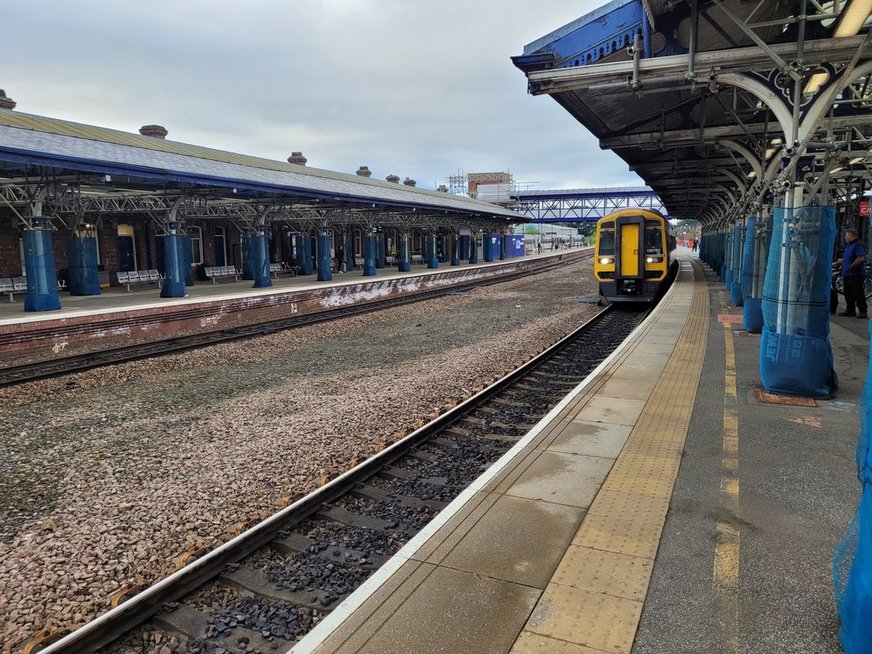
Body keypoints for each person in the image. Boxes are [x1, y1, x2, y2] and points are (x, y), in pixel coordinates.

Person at [835, 227, 868, 318]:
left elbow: (860, 258)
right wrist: (837, 262)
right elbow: (847, 258)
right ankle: (850, 310)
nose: (845, 237)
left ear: (851, 235)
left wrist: (851, 266)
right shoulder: (849, 245)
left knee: (858, 293)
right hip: (847, 274)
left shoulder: (858, 245)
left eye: (846, 235)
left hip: (855, 274)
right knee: (848, 293)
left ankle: (863, 311)